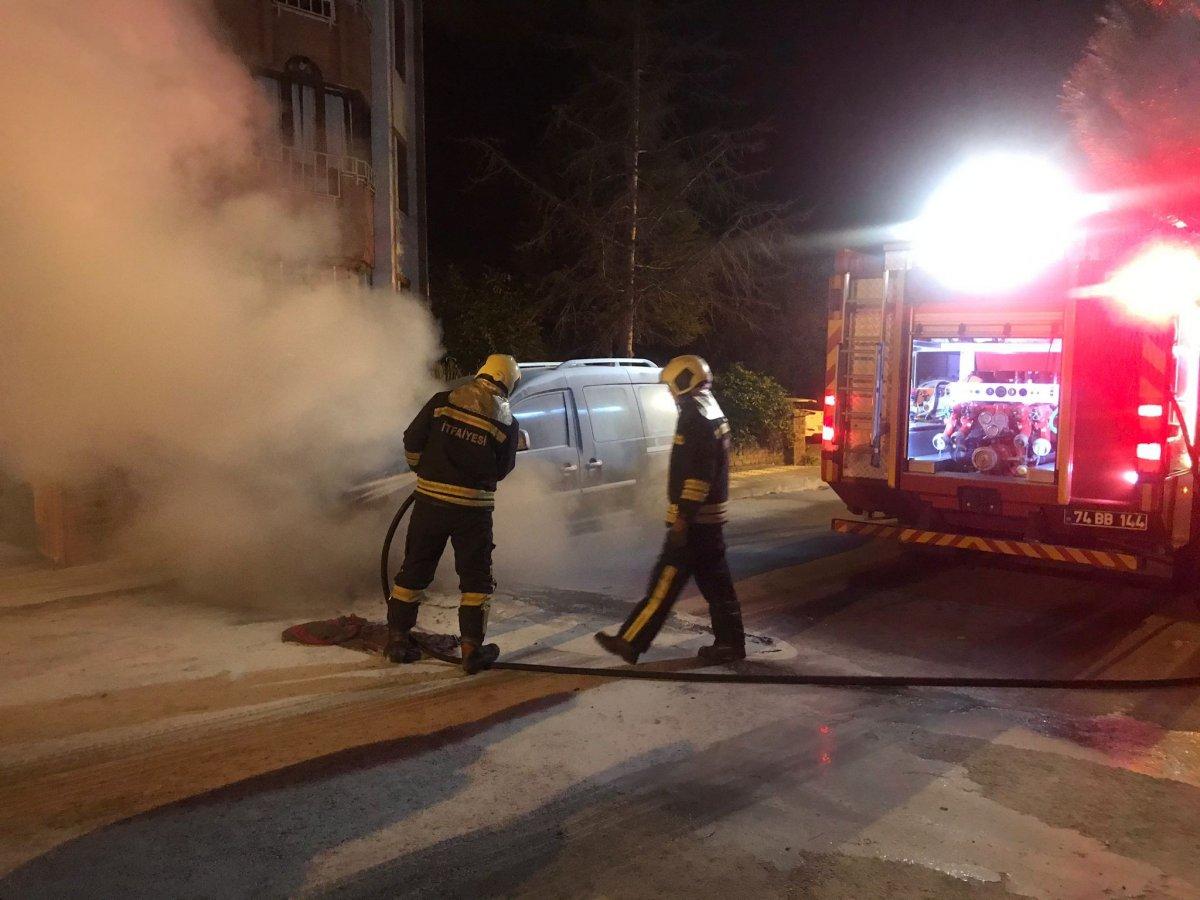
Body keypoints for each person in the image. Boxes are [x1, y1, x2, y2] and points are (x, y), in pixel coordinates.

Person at [594, 355, 745, 664]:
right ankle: (731, 643)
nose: (670, 393)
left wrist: (683, 519)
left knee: (664, 584)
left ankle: (630, 641)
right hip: (710, 520)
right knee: (718, 586)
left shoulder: (694, 415)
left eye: (670, 386)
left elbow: (697, 474)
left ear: (682, 379)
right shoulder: (712, 407)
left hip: (694, 522)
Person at [386, 354, 521, 674]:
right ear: (508, 382)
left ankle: (396, 641)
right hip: (473, 512)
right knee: (476, 580)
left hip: (430, 503)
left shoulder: (443, 400)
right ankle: (471, 650)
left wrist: (422, 468)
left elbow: (411, 439)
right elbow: (503, 470)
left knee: (414, 571)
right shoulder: (506, 420)